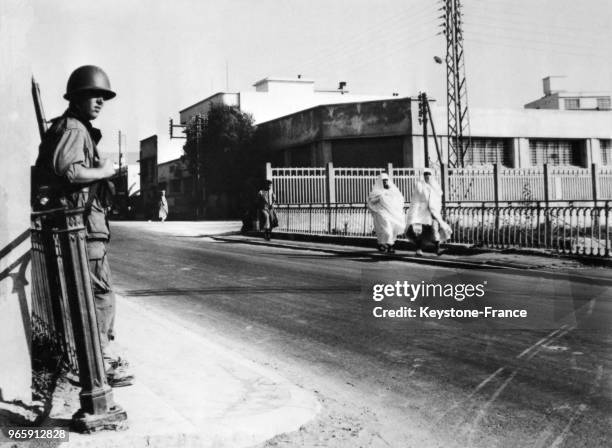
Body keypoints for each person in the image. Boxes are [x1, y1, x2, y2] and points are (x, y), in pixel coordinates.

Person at [34, 65, 133, 387]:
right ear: (77, 98)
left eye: (103, 97)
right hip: (83, 228)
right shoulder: (75, 129)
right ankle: (100, 362)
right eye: (93, 95)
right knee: (100, 294)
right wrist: (104, 171)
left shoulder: (73, 127)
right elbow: (70, 172)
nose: (100, 101)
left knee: (91, 294)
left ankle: (96, 358)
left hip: (82, 226)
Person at [406, 168, 452, 256]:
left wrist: (436, 211)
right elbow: (415, 200)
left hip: (432, 212)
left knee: (434, 229)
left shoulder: (435, 187)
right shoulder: (419, 185)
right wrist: (414, 213)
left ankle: (437, 249)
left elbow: (438, 201)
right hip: (421, 212)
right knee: (418, 231)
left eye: (429, 174)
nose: (427, 176)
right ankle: (418, 249)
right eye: (425, 174)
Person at [367, 173, 405, 253]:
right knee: (387, 230)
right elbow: (370, 203)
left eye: (386, 180)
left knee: (391, 230)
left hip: (393, 214)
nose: (385, 182)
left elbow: (400, 199)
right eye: (383, 181)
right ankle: (390, 246)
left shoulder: (393, 190)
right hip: (382, 213)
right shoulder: (376, 192)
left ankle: (383, 244)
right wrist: (379, 198)